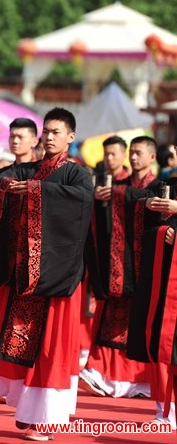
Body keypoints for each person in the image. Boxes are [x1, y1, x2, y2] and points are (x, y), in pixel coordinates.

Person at [0, 107, 93, 440]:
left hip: (56, 275)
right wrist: (6, 186)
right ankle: (28, 410)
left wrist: (34, 192)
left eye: (56, 132)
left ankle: (45, 420)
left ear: (71, 137)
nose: (49, 137)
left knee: (49, 349)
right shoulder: (28, 169)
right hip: (23, 274)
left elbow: (79, 203)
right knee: (19, 344)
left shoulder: (77, 175)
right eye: (45, 131)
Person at [80, 136, 158, 399]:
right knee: (110, 320)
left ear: (152, 157)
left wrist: (116, 195)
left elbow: (151, 204)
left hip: (146, 267)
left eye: (139, 153)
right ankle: (104, 374)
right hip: (118, 268)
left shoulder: (159, 187)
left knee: (142, 325)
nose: (134, 158)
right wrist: (101, 201)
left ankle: (139, 381)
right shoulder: (120, 185)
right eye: (132, 153)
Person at [129, 179, 177, 429]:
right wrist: (147, 204)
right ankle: (166, 410)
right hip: (165, 278)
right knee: (164, 341)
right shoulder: (164, 185)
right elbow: (134, 211)